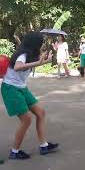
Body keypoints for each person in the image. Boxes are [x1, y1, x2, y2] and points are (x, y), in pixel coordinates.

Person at [1, 32, 59, 160]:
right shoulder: (23, 54)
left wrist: (46, 60)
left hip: (21, 88)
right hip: (11, 89)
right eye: (41, 42)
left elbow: (34, 64)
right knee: (26, 119)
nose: (42, 44)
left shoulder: (31, 54)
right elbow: (17, 67)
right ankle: (14, 152)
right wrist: (38, 63)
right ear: (34, 43)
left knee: (40, 113)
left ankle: (44, 146)